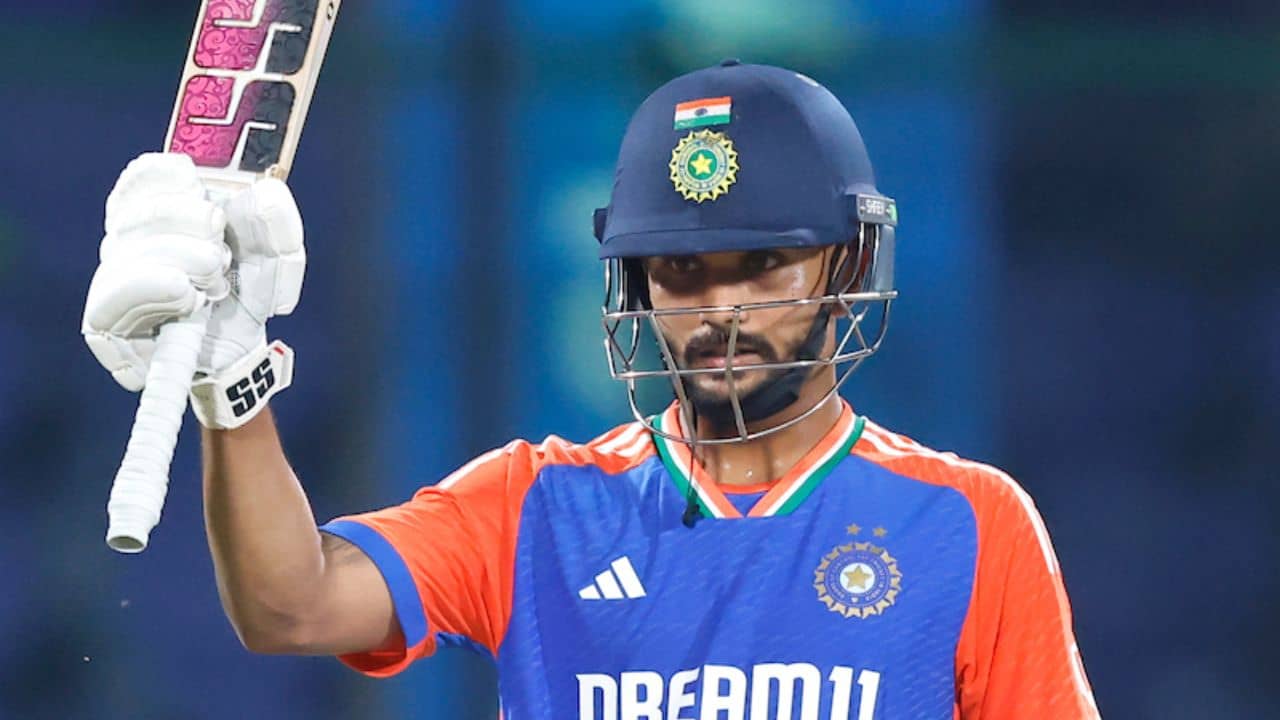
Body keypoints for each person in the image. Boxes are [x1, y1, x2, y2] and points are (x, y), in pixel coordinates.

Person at [82, 61, 1100, 719]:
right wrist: (232, 385)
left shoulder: (969, 523)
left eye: (763, 265)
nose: (721, 309)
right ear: (636, 284)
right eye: (683, 271)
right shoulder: (538, 506)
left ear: (847, 264)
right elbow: (290, 609)